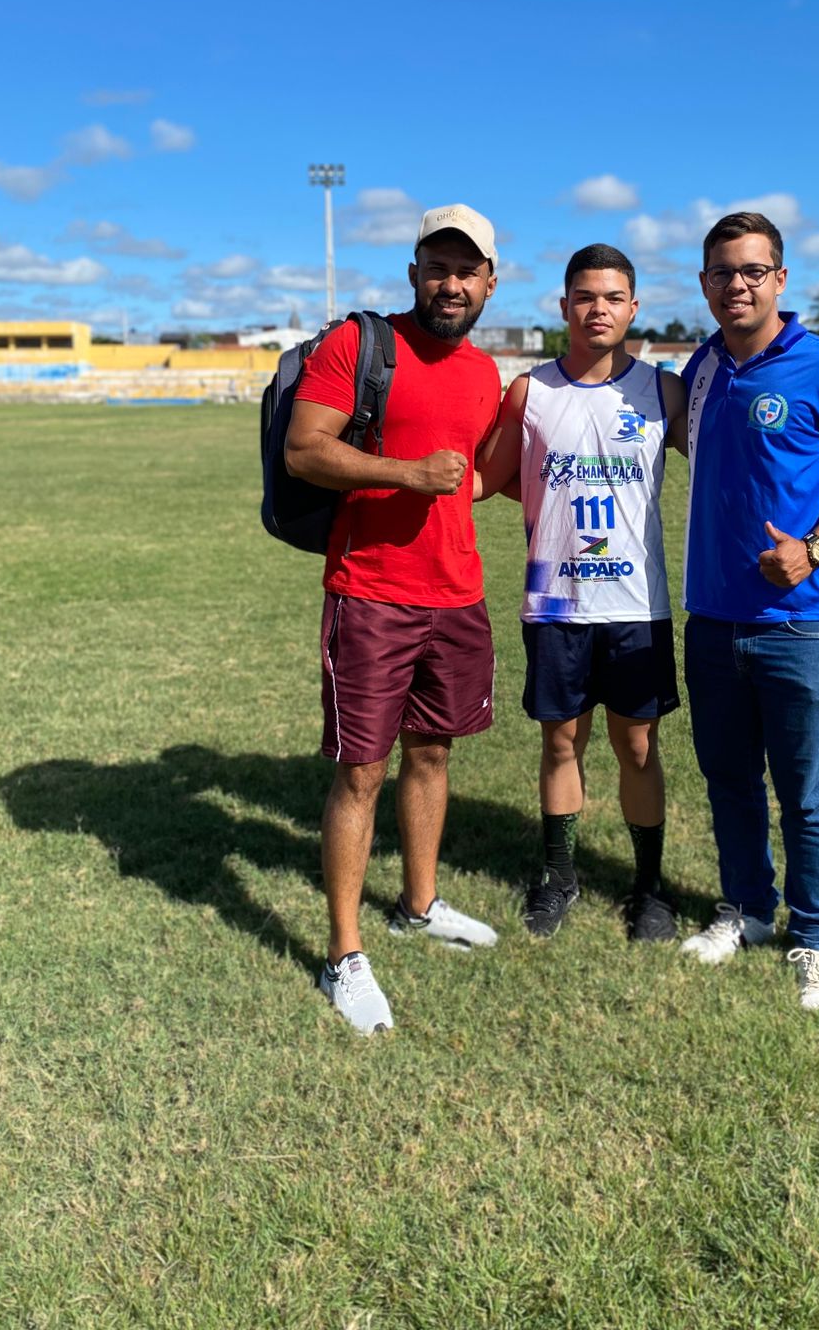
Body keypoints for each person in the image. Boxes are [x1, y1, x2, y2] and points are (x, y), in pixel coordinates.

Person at [285, 202, 503, 1035]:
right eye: (437, 268)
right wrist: (406, 474)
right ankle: (344, 955)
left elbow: (475, 475)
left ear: (490, 283)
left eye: (466, 271)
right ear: (414, 273)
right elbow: (305, 448)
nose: (451, 284)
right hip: (371, 592)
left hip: (457, 593)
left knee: (433, 752)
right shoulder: (360, 344)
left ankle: (419, 903)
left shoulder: (484, 373)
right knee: (361, 772)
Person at [678, 211, 819, 1008]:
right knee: (729, 782)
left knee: (809, 794)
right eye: (721, 273)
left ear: (779, 278)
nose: (736, 285)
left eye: (752, 271)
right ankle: (746, 909)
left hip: (802, 624)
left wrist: (815, 547)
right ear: (704, 283)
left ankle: (817, 939)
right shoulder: (703, 367)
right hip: (712, 620)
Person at [478, 244, 686, 940]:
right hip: (556, 602)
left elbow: (727, 463)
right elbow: (484, 479)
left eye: (613, 297)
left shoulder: (663, 391)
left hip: (638, 606)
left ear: (634, 308)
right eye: (586, 297)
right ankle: (559, 876)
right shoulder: (530, 391)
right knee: (561, 742)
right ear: (564, 305)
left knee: (638, 747)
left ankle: (649, 888)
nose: (599, 309)